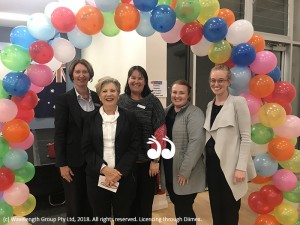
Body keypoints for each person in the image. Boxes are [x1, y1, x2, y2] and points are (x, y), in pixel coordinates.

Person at [81, 77, 139, 225]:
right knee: (101, 218)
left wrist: (118, 172)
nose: (109, 94)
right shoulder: (89, 118)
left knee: (123, 217)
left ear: (118, 94)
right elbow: (86, 148)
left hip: (123, 178)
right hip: (97, 178)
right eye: (104, 91)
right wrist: (105, 169)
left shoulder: (130, 117)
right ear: (99, 95)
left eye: (113, 90)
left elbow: (134, 146)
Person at [204, 65, 256, 225]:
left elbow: (246, 138)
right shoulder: (209, 105)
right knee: (216, 208)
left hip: (231, 166)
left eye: (221, 80)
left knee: (230, 210)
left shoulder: (238, 103)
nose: (216, 84)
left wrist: (241, 168)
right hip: (212, 166)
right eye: (213, 80)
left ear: (228, 82)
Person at [54, 59, 100, 224]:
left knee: (93, 203)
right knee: (75, 206)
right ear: (72, 75)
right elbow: (59, 134)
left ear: (90, 74)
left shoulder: (97, 97)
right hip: (73, 163)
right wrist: (62, 164)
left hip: (95, 162)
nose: (81, 75)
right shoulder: (64, 100)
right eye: (78, 72)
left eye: (85, 72)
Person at [118, 66, 166, 224]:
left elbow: (160, 132)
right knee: (126, 205)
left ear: (145, 81)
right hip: (124, 164)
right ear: (128, 79)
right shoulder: (120, 100)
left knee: (144, 206)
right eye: (133, 77)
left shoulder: (153, 101)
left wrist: (155, 160)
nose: (136, 81)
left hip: (147, 164)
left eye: (140, 78)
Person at [162, 80, 206, 225]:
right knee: (178, 204)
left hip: (186, 171)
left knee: (184, 207)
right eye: (174, 92)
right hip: (169, 168)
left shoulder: (195, 113)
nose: (177, 96)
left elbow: (196, 143)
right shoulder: (166, 111)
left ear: (188, 95)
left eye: (182, 93)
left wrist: (185, 171)